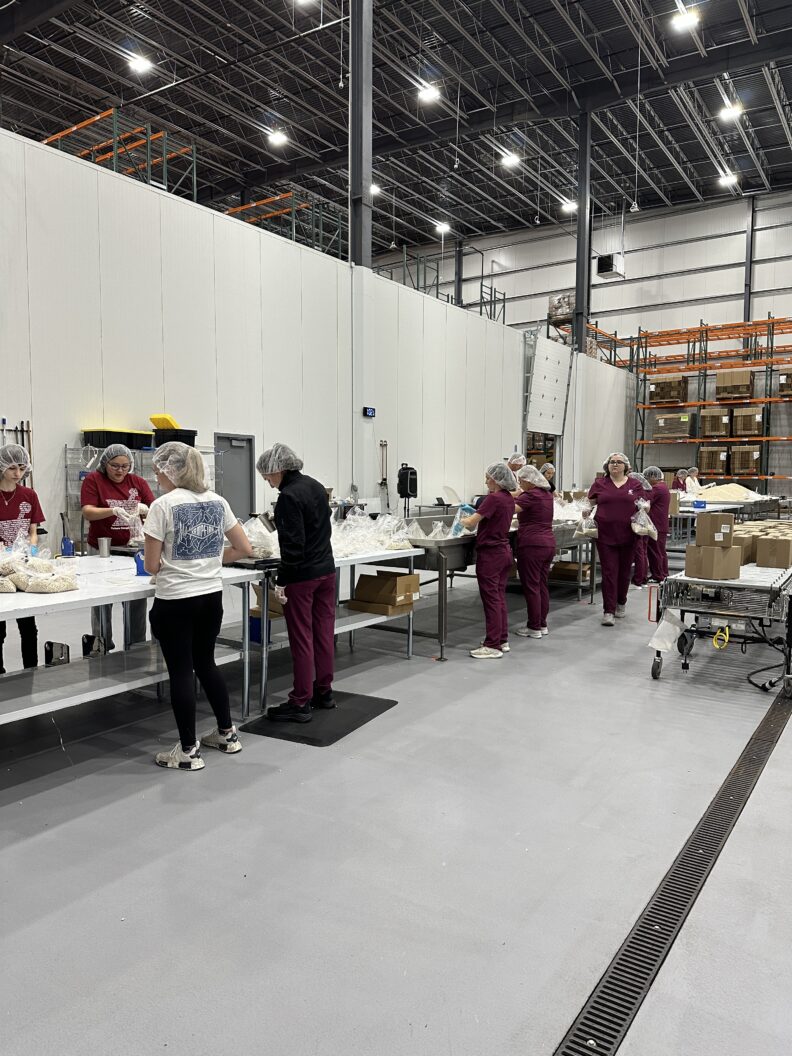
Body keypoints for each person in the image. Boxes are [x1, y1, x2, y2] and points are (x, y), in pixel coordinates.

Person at [143, 442, 253, 771]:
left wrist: (177, 563)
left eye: (159, 471)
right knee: (206, 663)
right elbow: (243, 548)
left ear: (170, 471)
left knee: (180, 671)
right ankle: (227, 734)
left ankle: (189, 751)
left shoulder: (162, 505)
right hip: (210, 597)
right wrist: (207, 559)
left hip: (176, 600)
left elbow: (151, 566)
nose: (157, 477)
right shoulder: (218, 502)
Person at [257, 443, 336, 723]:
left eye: (268, 476)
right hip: (327, 570)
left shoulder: (288, 497)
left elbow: (293, 544)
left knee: (302, 638)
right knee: (324, 632)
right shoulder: (316, 486)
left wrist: (282, 580)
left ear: (279, 469)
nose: (268, 482)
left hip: (302, 576)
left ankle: (300, 701)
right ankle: (324, 691)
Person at [81, 444, 155, 650]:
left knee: (136, 599)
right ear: (105, 463)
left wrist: (145, 509)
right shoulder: (94, 480)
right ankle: (102, 643)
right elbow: (88, 511)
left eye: (125, 466)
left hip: (131, 548)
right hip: (102, 548)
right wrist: (113, 510)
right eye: (115, 466)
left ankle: (135, 644)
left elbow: (154, 509)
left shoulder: (137, 482)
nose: (120, 470)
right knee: (101, 599)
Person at [461, 461, 517, 659]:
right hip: (504, 551)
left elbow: (471, 523)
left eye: (488, 478)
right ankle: (502, 639)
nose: (486, 482)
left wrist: (462, 517)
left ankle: (492, 645)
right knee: (499, 597)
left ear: (496, 480)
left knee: (491, 599)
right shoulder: (508, 498)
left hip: (491, 555)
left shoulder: (493, 499)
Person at [0, 444, 44, 675]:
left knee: (28, 625)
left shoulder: (29, 495)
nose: (18, 473)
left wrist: (31, 551)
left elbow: (32, 530)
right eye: (12, 468)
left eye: (22, 467)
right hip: (0, 569)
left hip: (22, 566)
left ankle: (31, 670)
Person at [588, 452, 645, 627]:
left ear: (626, 466)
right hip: (605, 535)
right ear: (607, 465)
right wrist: (585, 512)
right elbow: (591, 504)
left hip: (629, 535)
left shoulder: (635, 484)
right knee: (609, 572)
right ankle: (608, 611)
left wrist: (646, 507)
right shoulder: (599, 483)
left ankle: (621, 602)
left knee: (624, 572)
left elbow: (643, 505)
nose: (615, 464)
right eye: (612, 462)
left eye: (619, 462)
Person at [513, 464, 555, 639]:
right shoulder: (546, 494)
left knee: (531, 586)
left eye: (521, 481)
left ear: (529, 480)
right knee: (541, 585)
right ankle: (542, 624)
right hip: (548, 543)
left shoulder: (530, 495)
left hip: (532, 545)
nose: (520, 484)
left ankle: (533, 627)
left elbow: (509, 509)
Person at [644, 465, 671, 581]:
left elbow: (644, 501)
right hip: (660, 524)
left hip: (656, 525)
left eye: (647, 478)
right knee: (660, 551)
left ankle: (658, 575)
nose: (646, 481)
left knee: (655, 551)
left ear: (653, 477)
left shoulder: (657, 488)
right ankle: (663, 573)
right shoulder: (663, 487)